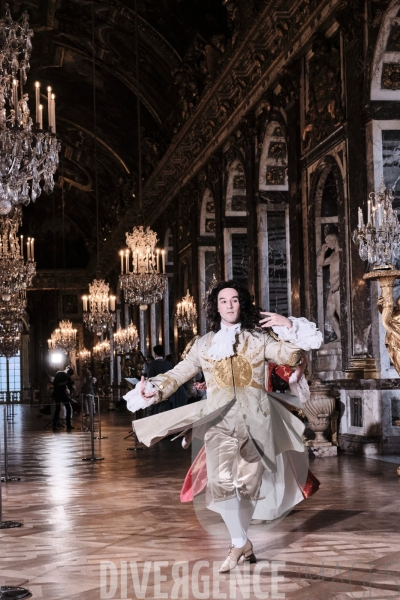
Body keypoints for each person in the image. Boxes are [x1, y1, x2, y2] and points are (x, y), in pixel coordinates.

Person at [125, 280, 322, 572]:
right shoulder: (204, 345)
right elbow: (178, 375)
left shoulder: (259, 339)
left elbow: (293, 356)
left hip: (258, 421)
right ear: (215, 307)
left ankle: (241, 543)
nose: (229, 306)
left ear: (241, 304)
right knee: (220, 483)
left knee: (248, 488)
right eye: (222, 301)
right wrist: (152, 389)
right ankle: (239, 540)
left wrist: (287, 326)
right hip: (219, 422)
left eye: (233, 300)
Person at [147, 345, 187, 413]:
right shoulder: (168, 363)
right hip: (168, 391)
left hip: (156, 391)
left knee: (156, 412)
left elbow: (150, 379)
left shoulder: (152, 364)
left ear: (155, 353)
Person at [52, 367, 75, 431]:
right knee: (58, 408)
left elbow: (70, 386)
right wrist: (62, 383)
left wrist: (71, 392)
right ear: (67, 373)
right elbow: (55, 384)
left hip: (63, 393)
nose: (69, 376)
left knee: (68, 408)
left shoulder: (68, 377)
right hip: (57, 393)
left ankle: (69, 424)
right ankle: (54, 424)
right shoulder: (59, 374)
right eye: (69, 375)